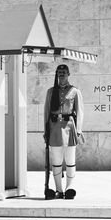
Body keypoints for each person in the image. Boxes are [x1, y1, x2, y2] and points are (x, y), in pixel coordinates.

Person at [44, 64, 84, 199]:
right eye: (59, 72)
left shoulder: (74, 91)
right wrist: (46, 131)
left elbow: (80, 112)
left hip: (69, 127)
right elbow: (46, 113)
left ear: (68, 74)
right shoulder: (51, 91)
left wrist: (78, 131)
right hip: (54, 128)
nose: (61, 74)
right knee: (56, 160)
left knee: (70, 160)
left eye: (64, 72)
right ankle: (59, 189)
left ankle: (69, 187)